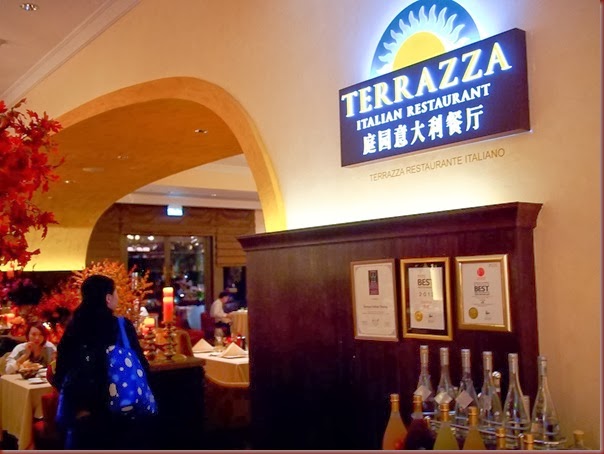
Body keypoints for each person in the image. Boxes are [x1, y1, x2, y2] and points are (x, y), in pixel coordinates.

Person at [53, 274, 157, 450]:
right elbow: (141, 364)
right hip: (121, 409)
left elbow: (61, 370)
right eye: (115, 293)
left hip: (84, 413)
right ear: (108, 298)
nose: (117, 297)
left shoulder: (74, 327)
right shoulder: (121, 326)